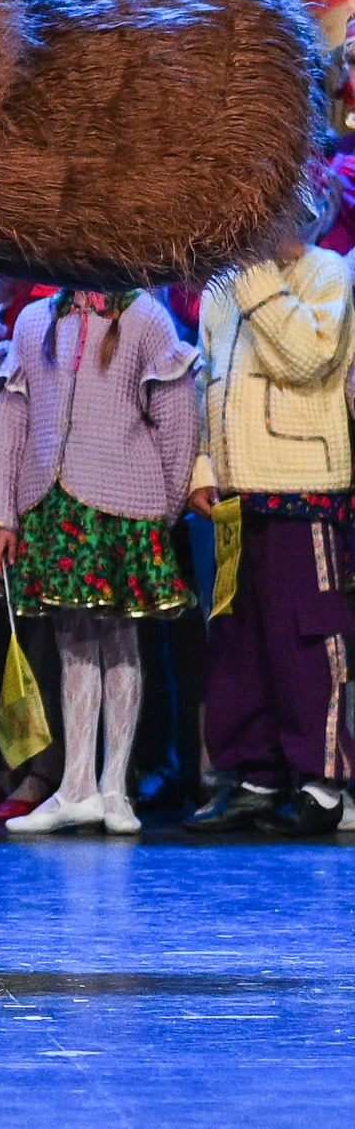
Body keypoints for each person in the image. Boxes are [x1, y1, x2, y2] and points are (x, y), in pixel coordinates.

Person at [0, 288, 199, 834]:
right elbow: (11, 421)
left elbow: (177, 421)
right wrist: (2, 514)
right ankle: (76, 786)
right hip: (53, 503)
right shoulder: (35, 320)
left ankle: (115, 787)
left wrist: (162, 510)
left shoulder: (144, 316)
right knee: (72, 641)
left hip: (123, 503)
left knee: (120, 638)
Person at [184, 208, 355, 836]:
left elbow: (307, 357)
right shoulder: (222, 287)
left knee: (306, 641)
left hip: (302, 482)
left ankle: (321, 782)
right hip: (235, 492)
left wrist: (257, 276)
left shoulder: (327, 273)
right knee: (239, 642)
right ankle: (255, 777)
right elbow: (208, 379)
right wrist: (202, 466)